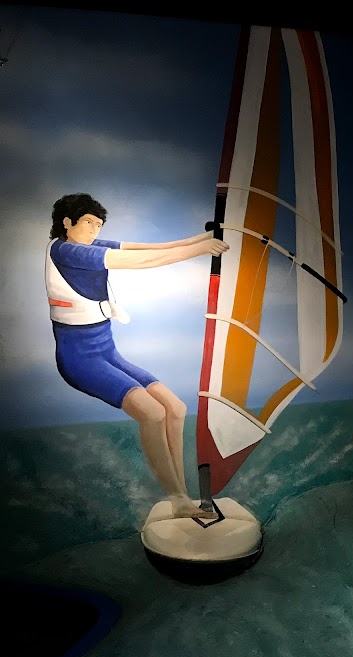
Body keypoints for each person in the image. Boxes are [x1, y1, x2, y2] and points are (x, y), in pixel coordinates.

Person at [45, 192, 229, 519]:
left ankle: (182, 495)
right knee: (153, 413)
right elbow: (142, 263)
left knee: (175, 408)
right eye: (88, 222)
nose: (94, 230)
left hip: (106, 352)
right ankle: (177, 499)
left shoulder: (86, 244)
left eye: (98, 225)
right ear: (67, 222)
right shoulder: (67, 251)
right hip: (80, 360)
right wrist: (200, 251)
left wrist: (201, 238)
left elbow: (143, 249)